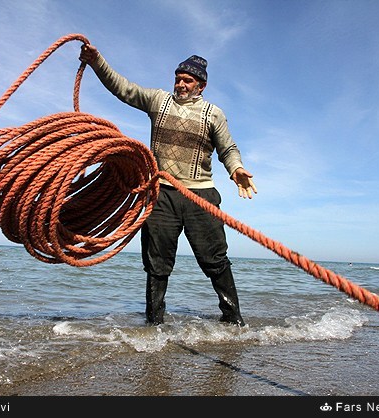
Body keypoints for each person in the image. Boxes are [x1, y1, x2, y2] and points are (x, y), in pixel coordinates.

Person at [79, 44, 257, 326]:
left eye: (188, 80)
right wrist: (97, 61)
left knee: (214, 260)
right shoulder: (158, 100)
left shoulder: (214, 114)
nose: (181, 84)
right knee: (157, 263)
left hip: (201, 196)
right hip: (161, 194)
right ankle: (154, 324)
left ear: (201, 85)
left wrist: (236, 168)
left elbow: (228, 148)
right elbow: (123, 88)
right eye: (178, 78)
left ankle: (234, 320)